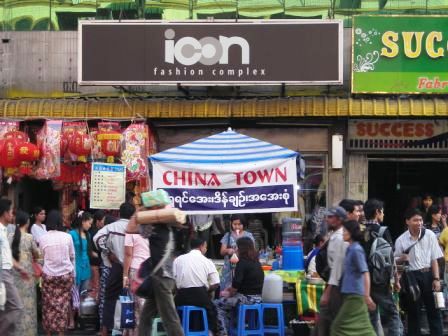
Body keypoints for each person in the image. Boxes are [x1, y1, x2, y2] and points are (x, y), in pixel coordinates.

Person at [125, 194, 184, 336]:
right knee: (146, 316)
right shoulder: (170, 227)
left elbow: (129, 228)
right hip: (165, 278)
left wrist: (140, 209)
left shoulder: (154, 227)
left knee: (170, 318)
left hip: (161, 279)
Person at [395, 208, 443, 336]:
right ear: (407, 222)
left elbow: (434, 259)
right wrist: (401, 259)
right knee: (413, 312)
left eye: (421, 220)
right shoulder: (401, 240)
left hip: (428, 275)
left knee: (434, 310)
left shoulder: (430, 235)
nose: (419, 223)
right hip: (411, 277)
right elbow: (395, 264)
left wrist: (436, 279)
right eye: (415, 220)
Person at [94, 203, 135, 336]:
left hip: (117, 266)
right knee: (132, 299)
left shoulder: (111, 227)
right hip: (133, 267)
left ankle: (105, 330)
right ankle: (127, 331)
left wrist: (108, 251)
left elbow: (97, 238)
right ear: (133, 214)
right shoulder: (136, 227)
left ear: (119, 213)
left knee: (110, 297)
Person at [363, 199, 401, 336]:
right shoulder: (382, 231)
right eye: (382, 211)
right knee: (393, 314)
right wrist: (396, 280)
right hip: (381, 282)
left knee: (372, 316)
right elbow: (391, 259)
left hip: (365, 282)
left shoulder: (360, 232)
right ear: (377, 212)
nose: (383, 214)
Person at [331, 220, 376, 336]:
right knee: (362, 327)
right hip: (350, 294)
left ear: (351, 233)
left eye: (345, 231)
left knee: (338, 327)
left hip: (355, 295)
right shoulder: (350, 249)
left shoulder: (356, 250)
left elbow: (365, 272)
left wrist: (367, 296)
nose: (343, 233)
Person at [214, 237, 264, 336]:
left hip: (246, 299)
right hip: (258, 298)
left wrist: (229, 293)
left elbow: (236, 284)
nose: (235, 249)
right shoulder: (256, 262)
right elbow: (243, 283)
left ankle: (223, 333)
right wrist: (231, 289)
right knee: (228, 305)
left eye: (236, 247)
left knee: (216, 304)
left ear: (241, 248)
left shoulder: (242, 263)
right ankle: (230, 330)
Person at [39, 210, 76, 336]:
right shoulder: (67, 237)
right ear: (60, 221)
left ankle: (48, 333)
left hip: (49, 276)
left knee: (48, 306)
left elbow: (41, 258)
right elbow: (72, 256)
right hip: (65, 275)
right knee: (63, 306)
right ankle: (61, 333)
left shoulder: (43, 238)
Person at [173, 237, 220, 335]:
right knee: (212, 310)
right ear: (201, 246)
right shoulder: (207, 261)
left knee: (174, 309)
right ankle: (213, 332)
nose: (206, 249)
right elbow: (216, 283)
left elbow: (173, 280)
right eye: (206, 247)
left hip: (181, 297)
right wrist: (207, 291)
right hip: (200, 296)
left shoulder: (178, 259)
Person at [315, 206, 347, 336]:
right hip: (334, 285)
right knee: (325, 321)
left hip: (337, 287)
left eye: (330, 217)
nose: (327, 220)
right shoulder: (334, 236)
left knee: (329, 321)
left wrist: (328, 292)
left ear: (339, 220)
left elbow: (338, 268)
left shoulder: (340, 238)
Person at [9, 210, 40, 336]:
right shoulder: (29, 237)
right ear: (27, 222)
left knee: (15, 304)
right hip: (27, 274)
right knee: (28, 307)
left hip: (14, 273)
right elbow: (37, 254)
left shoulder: (10, 236)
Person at [0, 199, 28, 335]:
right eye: (11, 211)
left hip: (7, 272)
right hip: (3, 274)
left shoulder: (4, 230)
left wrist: (20, 268)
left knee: (5, 308)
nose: (12, 214)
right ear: (5, 213)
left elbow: (7, 255)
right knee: (16, 306)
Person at [123, 221, 150, 336]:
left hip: (135, 270)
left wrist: (125, 275)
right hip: (149, 270)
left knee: (135, 304)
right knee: (145, 304)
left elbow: (128, 254)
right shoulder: (150, 231)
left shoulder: (130, 233)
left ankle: (136, 332)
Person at [220, 215, 255, 289]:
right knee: (227, 289)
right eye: (234, 224)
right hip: (229, 268)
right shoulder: (228, 235)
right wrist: (228, 250)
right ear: (231, 224)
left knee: (241, 286)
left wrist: (240, 252)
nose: (237, 227)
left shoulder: (248, 236)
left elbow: (252, 251)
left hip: (244, 267)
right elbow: (222, 252)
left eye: (239, 224)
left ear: (243, 224)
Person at [89, 210, 105, 301]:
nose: (103, 223)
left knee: (95, 284)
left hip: (95, 263)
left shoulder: (95, 231)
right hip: (94, 263)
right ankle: (93, 304)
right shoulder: (94, 232)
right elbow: (91, 250)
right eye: (103, 220)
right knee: (95, 285)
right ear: (98, 221)